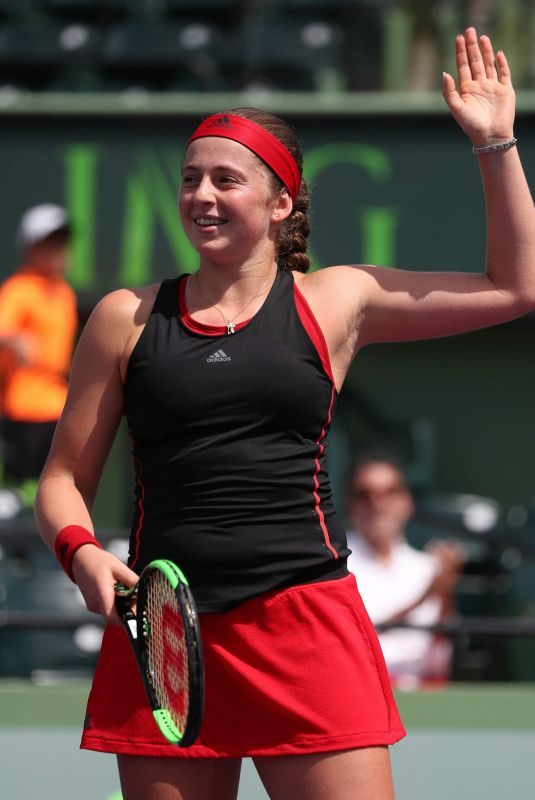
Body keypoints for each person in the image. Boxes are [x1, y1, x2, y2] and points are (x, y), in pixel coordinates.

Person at [34, 29, 534, 800]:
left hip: (306, 625)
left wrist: (495, 142)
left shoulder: (336, 300)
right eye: (190, 178)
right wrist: (82, 554)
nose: (201, 194)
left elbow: (514, 287)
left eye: (226, 180)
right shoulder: (123, 318)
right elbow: (64, 478)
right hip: (170, 628)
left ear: (280, 203)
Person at [346, 453, 465, 688]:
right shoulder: (333, 563)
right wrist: (428, 594)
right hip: (359, 695)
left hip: (422, 704)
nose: (377, 504)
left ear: (407, 501)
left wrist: (445, 593)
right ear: (351, 504)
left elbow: (439, 660)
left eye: (389, 492)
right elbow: (359, 640)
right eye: (365, 494)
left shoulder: (427, 567)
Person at [0, 204, 77, 505]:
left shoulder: (64, 292)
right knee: (21, 492)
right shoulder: (19, 289)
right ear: (31, 249)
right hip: (24, 410)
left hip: (58, 408)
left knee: (52, 488)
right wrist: (14, 339)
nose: (57, 250)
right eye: (48, 243)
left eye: (61, 242)